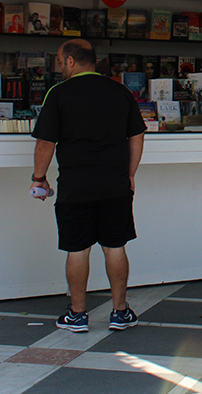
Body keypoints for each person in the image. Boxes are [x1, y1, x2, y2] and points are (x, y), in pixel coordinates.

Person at [31, 39, 145, 333]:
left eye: (60, 61)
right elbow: (137, 135)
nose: (59, 67)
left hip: (75, 184)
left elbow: (46, 142)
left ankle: (78, 315)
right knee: (115, 247)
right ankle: (120, 312)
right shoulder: (120, 92)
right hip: (115, 183)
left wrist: (38, 178)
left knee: (78, 249)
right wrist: (130, 173)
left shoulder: (58, 94)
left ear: (71, 61)